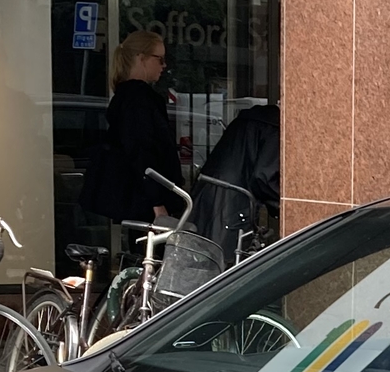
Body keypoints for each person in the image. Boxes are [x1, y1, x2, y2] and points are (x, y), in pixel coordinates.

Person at [80, 29, 181, 250]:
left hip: (139, 197)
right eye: (160, 59)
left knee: (140, 257)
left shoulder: (125, 97)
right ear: (141, 58)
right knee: (151, 262)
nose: (164, 66)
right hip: (147, 201)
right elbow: (142, 152)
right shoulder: (140, 100)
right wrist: (158, 204)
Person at [195, 101, 278, 263]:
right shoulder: (273, 127)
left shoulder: (245, 121)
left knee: (204, 261)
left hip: (209, 192)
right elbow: (263, 177)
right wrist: (283, 205)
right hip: (234, 203)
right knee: (227, 267)